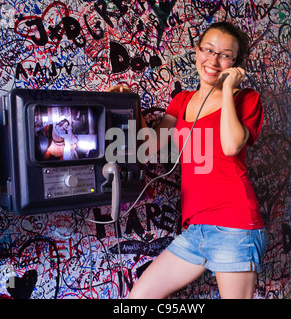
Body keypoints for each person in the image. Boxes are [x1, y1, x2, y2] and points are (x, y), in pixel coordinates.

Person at [109, 21, 267, 299]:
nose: (214, 60)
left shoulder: (247, 99)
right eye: (208, 50)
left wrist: (228, 88)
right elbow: (148, 149)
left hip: (235, 225)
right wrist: (130, 105)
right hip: (196, 230)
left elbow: (230, 146)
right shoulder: (181, 101)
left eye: (225, 55)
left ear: (234, 64)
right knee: (138, 299)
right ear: (197, 51)